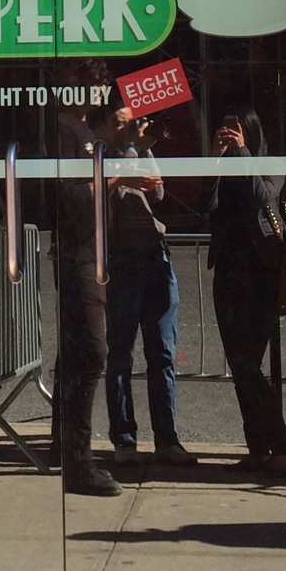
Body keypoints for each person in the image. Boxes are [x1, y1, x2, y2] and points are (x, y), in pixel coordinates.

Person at [103, 108, 195, 471]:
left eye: (131, 122)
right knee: (120, 354)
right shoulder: (101, 156)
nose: (128, 128)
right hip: (122, 259)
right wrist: (130, 151)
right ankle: (124, 439)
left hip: (155, 255)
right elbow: (101, 194)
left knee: (162, 353)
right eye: (120, 123)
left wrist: (143, 149)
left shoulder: (137, 153)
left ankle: (167, 439)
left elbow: (157, 191)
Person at [207, 107, 286, 476]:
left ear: (251, 131)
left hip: (261, 273)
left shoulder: (270, 164)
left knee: (248, 364)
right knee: (238, 364)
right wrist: (214, 163)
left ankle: (282, 448)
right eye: (225, 128)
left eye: (237, 129)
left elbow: (261, 196)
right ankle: (258, 449)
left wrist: (242, 153)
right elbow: (206, 208)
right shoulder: (224, 167)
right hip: (228, 271)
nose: (230, 134)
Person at [51, 99, 120, 497]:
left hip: (92, 252)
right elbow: (69, 198)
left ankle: (65, 448)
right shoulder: (65, 128)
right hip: (79, 253)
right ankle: (77, 459)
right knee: (91, 352)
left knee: (76, 352)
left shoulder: (84, 130)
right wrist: (114, 177)